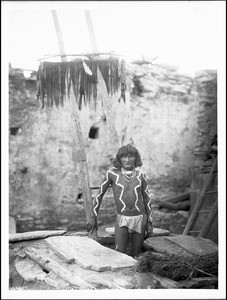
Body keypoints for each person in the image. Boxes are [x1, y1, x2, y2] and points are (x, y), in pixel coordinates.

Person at [86, 144, 153, 258]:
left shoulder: (141, 175)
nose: (127, 160)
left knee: (136, 255)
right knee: (119, 254)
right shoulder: (112, 174)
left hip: (139, 218)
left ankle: (135, 275)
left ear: (136, 158)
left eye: (130, 156)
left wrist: (149, 222)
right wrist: (93, 217)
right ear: (119, 159)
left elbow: (147, 199)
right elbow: (99, 195)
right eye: (124, 157)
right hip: (122, 218)